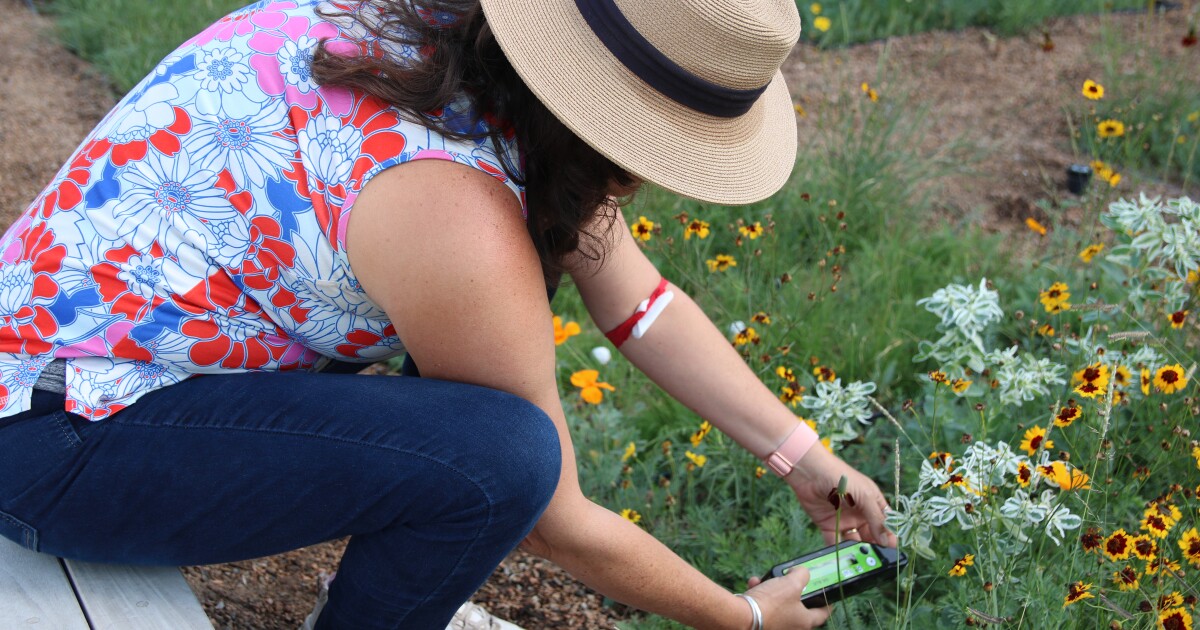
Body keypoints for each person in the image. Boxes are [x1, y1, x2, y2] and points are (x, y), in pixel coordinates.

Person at [0, 0, 897, 628]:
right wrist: (738, 616)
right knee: (499, 458)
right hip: (56, 442)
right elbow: (551, 515)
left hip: (64, 357)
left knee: (490, 385)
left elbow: (639, 301)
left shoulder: (437, 42)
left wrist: (802, 458)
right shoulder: (450, 208)